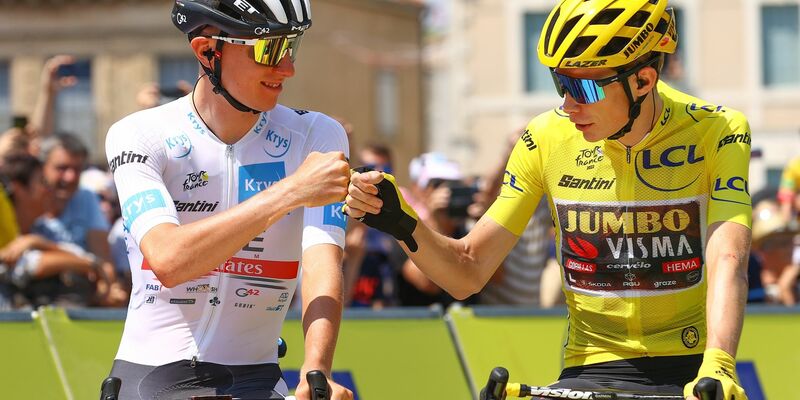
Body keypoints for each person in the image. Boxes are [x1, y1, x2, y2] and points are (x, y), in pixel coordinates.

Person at [346, 1, 751, 399]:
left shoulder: (718, 130)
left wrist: (719, 364)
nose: (568, 104)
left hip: (693, 365)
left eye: (584, 87)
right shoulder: (544, 138)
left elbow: (728, 256)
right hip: (590, 366)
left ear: (643, 81)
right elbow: (467, 271)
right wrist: (401, 221)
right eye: (560, 83)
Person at [104, 1, 352, 399]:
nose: (287, 68)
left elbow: (322, 261)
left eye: (291, 48)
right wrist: (290, 191)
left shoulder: (315, 136)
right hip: (149, 375)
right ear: (206, 51)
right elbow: (169, 260)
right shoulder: (139, 134)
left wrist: (315, 370)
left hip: (256, 375)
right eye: (268, 50)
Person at [0, 154, 115, 309]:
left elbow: (70, 252)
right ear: (18, 188)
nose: (49, 190)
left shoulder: (40, 230)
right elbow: (30, 266)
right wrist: (91, 265)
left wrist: (37, 242)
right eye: (42, 182)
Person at [34, 133, 127, 306]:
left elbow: (103, 256)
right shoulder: (28, 198)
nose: (70, 177)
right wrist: (87, 264)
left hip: (76, 295)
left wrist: (105, 288)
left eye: (77, 169)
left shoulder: (86, 198)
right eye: (62, 168)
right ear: (41, 168)